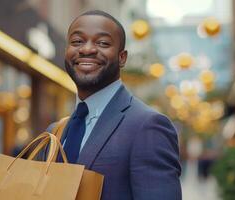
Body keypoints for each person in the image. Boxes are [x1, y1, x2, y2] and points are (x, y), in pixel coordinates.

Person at [51, 10, 181, 200]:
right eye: (77, 41)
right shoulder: (55, 132)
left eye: (102, 43)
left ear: (122, 58)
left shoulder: (149, 126)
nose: (87, 49)